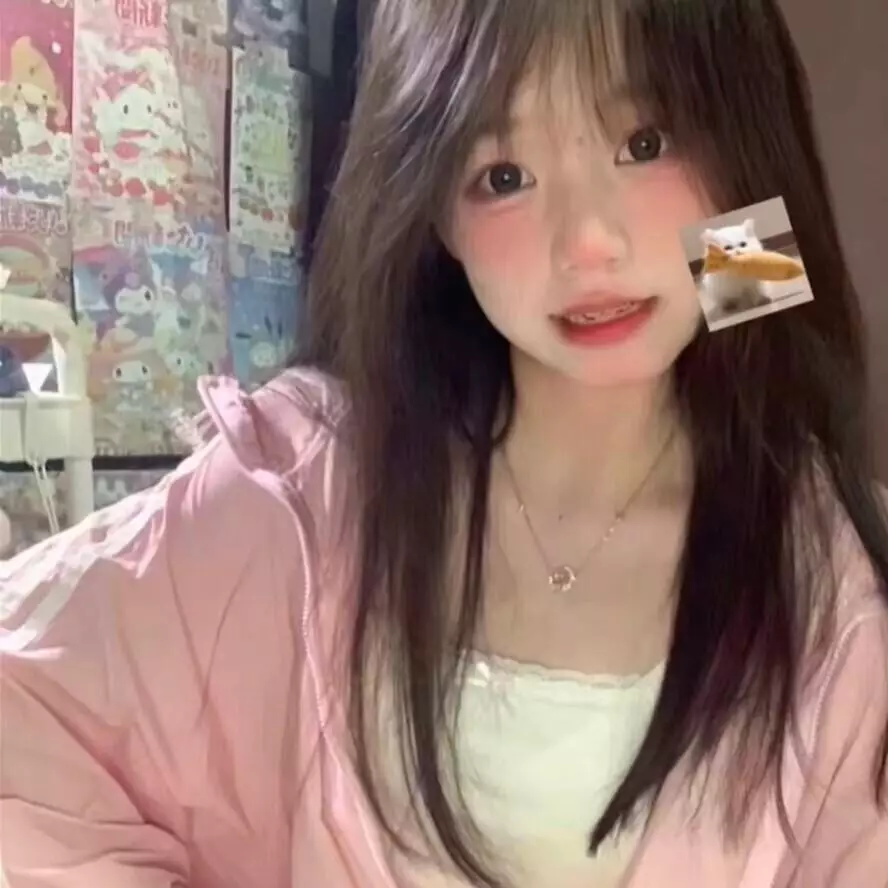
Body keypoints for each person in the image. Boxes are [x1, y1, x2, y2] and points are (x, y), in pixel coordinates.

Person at [2, 1, 888, 886]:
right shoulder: (308, 490)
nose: (589, 242)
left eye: (645, 143)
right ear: (435, 219)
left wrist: (750, 288)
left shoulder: (831, 575)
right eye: (503, 176)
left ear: (744, 147)